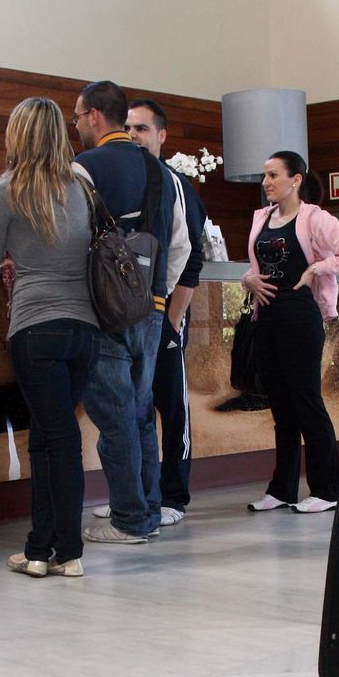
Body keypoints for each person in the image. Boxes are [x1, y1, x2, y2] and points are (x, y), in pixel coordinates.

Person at [0, 96, 100, 578]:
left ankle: (67, 551)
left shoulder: (7, 190)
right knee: (50, 438)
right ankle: (39, 549)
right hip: (85, 328)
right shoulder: (84, 185)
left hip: (35, 327)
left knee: (58, 437)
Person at [69, 80, 191, 544]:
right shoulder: (163, 173)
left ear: (96, 116)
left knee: (114, 414)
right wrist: (155, 290)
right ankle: (148, 510)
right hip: (152, 309)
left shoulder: (83, 167)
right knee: (140, 412)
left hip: (104, 308)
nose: (77, 125)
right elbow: (181, 244)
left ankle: (130, 520)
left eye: (78, 116)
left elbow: (70, 237)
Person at [241, 150, 339, 514]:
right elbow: (253, 266)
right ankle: (281, 489)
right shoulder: (261, 218)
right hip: (265, 317)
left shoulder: (316, 218)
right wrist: (248, 279)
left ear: (295, 179)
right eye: (264, 176)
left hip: (300, 315)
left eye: (273, 175)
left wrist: (317, 269)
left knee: (307, 401)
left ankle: (327, 490)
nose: (266, 182)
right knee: (280, 406)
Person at [122, 98, 205, 525]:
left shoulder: (178, 187)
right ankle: (136, 496)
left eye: (142, 129)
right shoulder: (124, 181)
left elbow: (191, 259)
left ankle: (174, 495)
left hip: (166, 316)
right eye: (130, 128)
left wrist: (173, 322)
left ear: (161, 135)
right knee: (133, 405)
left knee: (171, 407)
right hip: (128, 316)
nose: (135, 136)